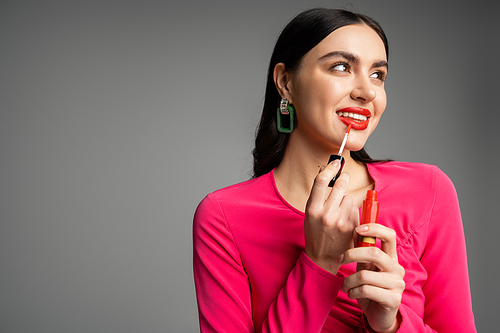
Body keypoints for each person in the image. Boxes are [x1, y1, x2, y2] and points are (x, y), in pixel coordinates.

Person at [193, 8, 476, 333]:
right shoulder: (222, 217)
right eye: (342, 67)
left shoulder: (428, 190)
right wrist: (318, 262)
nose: (367, 92)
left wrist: (391, 325)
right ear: (285, 82)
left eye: (377, 75)